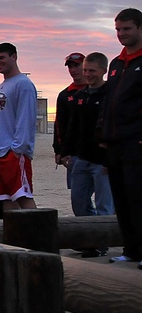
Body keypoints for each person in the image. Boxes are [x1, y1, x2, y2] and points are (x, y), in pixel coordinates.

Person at [98, 8, 142, 266]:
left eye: (126, 29)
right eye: (118, 30)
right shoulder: (116, 64)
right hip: (115, 143)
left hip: (136, 142)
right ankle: (131, 250)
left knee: (138, 198)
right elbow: (108, 102)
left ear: (139, 28)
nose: (121, 34)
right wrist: (103, 135)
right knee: (122, 199)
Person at [60, 52, 113, 257]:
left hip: (103, 160)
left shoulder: (110, 94)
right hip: (81, 158)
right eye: (85, 71)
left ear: (103, 71)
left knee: (104, 205)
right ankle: (90, 238)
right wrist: (65, 152)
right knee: (79, 201)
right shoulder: (80, 96)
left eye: (92, 71)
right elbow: (73, 127)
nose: (87, 74)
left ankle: (102, 242)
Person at [0, 43, 37, 211]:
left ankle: (39, 234)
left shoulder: (23, 84)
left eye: (2, 58)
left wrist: (17, 149)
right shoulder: (0, 86)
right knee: (5, 199)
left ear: (14, 57)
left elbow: (26, 118)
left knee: (22, 196)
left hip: (11, 152)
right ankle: (15, 236)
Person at [53, 52, 86, 204]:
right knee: (78, 200)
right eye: (70, 67)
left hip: (99, 155)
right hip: (73, 154)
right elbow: (59, 124)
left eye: (77, 65)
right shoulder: (65, 95)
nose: (73, 70)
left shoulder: (100, 90)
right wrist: (59, 150)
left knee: (105, 202)